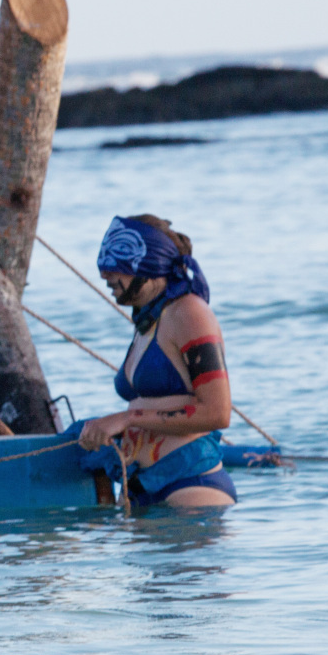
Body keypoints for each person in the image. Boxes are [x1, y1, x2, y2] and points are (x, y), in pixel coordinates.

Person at [76, 214, 237, 507]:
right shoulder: (149, 320)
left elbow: (218, 412)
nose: (105, 277)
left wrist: (126, 419)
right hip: (142, 488)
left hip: (190, 487)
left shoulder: (190, 313)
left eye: (115, 268)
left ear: (147, 265)